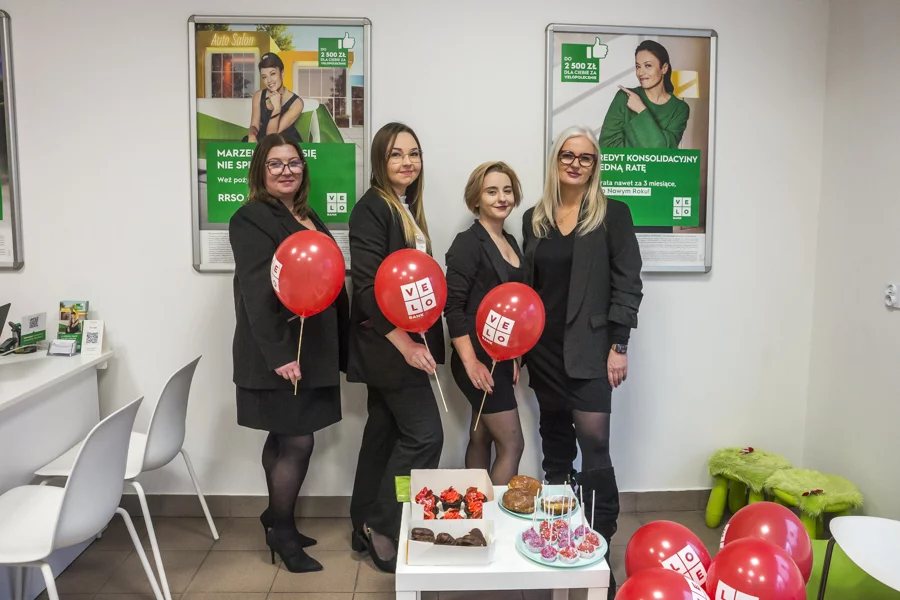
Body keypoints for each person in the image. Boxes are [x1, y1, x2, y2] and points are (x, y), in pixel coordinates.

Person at [522, 126, 643, 599]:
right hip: (544, 351)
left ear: (596, 165)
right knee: (554, 446)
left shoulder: (613, 215)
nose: (575, 163)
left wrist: (619, 344)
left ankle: (598, 549)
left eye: (586, 158)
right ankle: (557, 544)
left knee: (594, 447)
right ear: (556, 161)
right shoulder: (537, 217)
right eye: (567, 156)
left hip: (592, 350)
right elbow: (527, 291)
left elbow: (627, 282)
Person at [229, 133, 349, 574]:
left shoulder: (307, 214)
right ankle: (281, 532)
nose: (286, 170)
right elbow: (258, 292)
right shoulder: (250, 218)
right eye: (276, 164)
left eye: (293, 162)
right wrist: (281, 354)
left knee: (283, 437)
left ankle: (277, 519)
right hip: (278, 352)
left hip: (311, 349)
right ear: (261, 170)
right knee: (298, 440)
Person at [347, 122, 445, 573]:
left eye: (414, 153)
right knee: (426, 435)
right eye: (395, 154)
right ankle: (383, 524)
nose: (407, 162)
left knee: (384, 432)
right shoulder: (372, 209)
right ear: (379, 163)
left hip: (395, 344)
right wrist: (406, 346)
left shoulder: (404, 206)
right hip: (388, 347)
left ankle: (362, 517)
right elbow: (367, 288)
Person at [444, 162, 525, 485]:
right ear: (476, 199)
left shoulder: (511, 241)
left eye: (507, 190)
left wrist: (516, 354)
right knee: (513, 444)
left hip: (501, 357)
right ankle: (494, 521)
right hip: (475, 358)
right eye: (492, 191)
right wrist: (471, 363)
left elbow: (515, 306)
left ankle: (476, 519)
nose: (501, 197)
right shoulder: (468, 243)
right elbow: (453, 308)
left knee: (482, 436)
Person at [598, 40, 689, 149]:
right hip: (626, 167)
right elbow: (607, 147)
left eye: (648, 65)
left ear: (664, 68)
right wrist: (653, 140)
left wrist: (641, 110)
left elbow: (664, 152)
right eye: (638, 66)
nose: (640, 73)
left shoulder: (680, 108)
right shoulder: (624, 97)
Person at [247, 53, 304, 144]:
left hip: (286, 143)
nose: (269, 80)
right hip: (263, 140)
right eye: (264, 77)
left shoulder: (297, 103)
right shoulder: (258, 95)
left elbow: (272, 135)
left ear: (282, 73)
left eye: (272, 74)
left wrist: (277, 108)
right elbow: (254, 126)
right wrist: (252, 135)